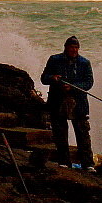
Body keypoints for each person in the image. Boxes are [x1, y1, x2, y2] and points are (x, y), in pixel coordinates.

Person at [40, 36, 94, 170]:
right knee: (60, 133)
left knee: (82, 133)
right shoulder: (54, 59)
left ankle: (88, 164)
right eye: (71, 47)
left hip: (78, 103)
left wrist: (73, 87)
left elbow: (88, 82)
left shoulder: (84, 63)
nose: (74, 50)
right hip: (58, 102)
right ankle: (64, 162)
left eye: (76, 47)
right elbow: (44, 78)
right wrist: (53, 78)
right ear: (66, 47)